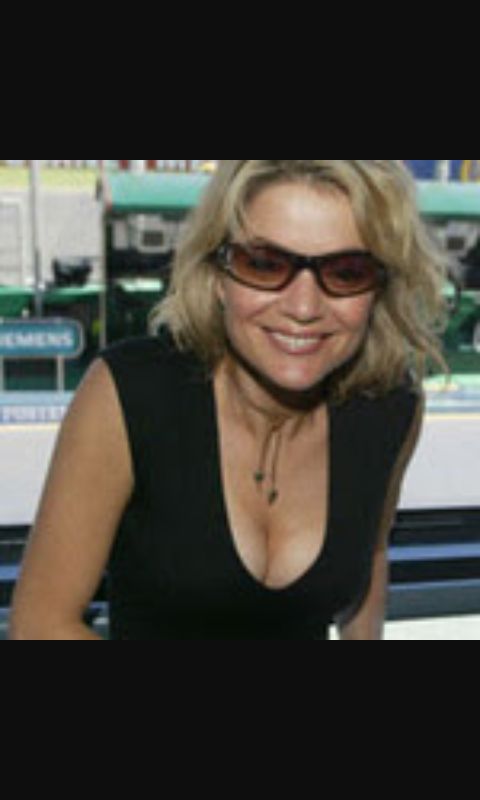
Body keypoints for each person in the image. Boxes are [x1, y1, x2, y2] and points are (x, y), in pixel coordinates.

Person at [10, 160, 448, 640]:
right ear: (218, 274)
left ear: (379, 287)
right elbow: (40, 624)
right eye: (265, 264)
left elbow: (371, 555)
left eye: (346, 272)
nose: (304, 308)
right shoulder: (131, 393)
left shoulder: (390, 407)